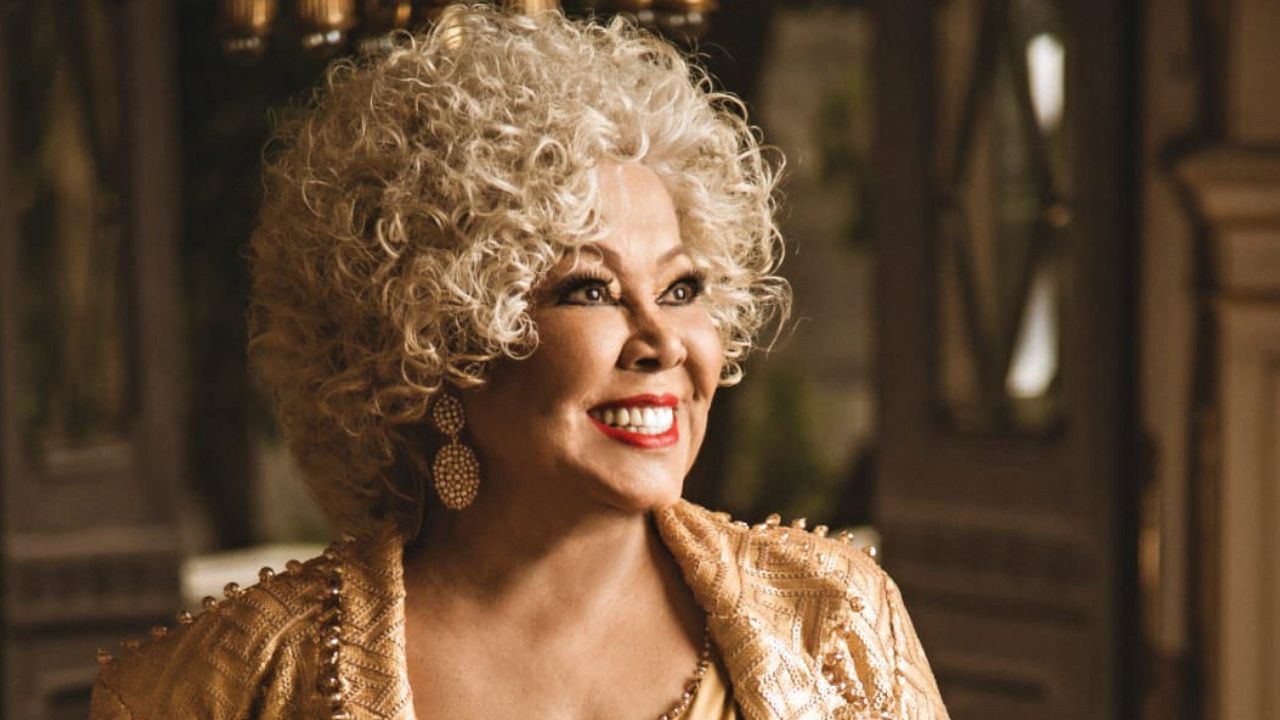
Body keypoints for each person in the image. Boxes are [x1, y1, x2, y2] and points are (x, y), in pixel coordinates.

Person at [89, 6, 948, 719]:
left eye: (682, 288)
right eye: (589, 291)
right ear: (440, 339)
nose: (661, 342)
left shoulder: (833, 621)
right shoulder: (237, 683)